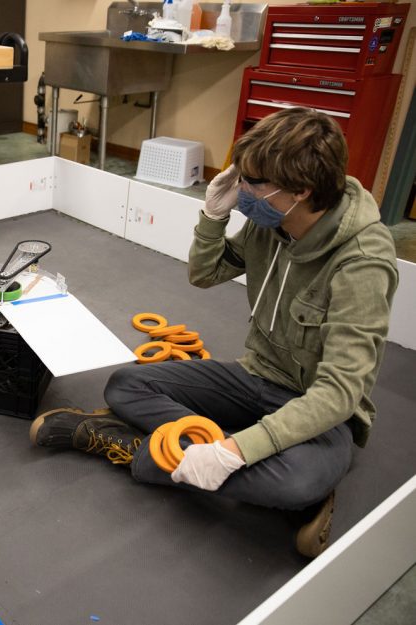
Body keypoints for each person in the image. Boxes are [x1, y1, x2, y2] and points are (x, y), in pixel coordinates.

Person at [29, 107, 399, 557]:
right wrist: (213, 217)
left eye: (253, 183)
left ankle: (140, 449)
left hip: (316, 407)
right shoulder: (275, 223)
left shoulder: (362, 260)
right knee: (127, 384)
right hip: (257, 378)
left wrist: (234, 452)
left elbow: (339, 391)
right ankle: (213, 452)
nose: (241, 187)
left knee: (298, 480)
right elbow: (204, 275)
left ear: (301, 191)